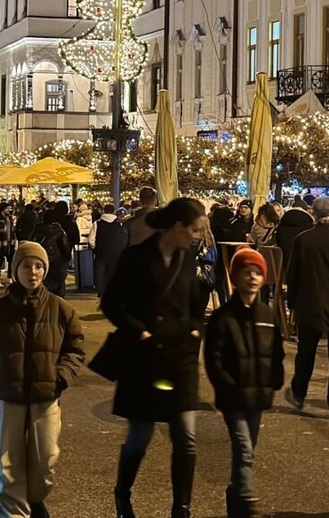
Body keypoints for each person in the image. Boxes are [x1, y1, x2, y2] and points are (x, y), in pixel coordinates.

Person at [101, 198, 210, 518]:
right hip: (143, 359)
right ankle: (123, 493)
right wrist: (140, 331)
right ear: (177, 227)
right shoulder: (135, 257)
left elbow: (195, 306)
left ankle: (182, 508)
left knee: (186, 438)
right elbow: (111, 304)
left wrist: (194, 331)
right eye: (194, 229)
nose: (196, 236)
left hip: (180, 360)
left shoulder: (188, 259)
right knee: (139, 437)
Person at [0, 241, 86, 518]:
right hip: (8, 396)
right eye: (25, 265)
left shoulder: (61, 309)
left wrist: (62, 376)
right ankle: (12, 512)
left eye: (38, 266)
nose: (32, 272)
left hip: (47, 397)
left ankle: (34, 502)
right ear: (15, 268)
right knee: (9, 465)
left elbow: (75, 346)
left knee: (44, 462)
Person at [203, 247, 284, 518]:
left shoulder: (267, 315)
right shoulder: (222, 318)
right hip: (232, 396)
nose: (251, 277)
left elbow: (276, 351)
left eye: (257, 272)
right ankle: (247, 500)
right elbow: (214, 358)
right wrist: (226, 385)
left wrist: (275, 378)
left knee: (248, 448)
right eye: (245, 272)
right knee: (244, 445)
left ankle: (236, 497)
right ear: (234, 277)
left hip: (259, 393)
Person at [284, 196, 329, 420]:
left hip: (309, 304)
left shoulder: (303, 240)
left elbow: (292, 275)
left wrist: (292, 303)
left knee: (305, 352)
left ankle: (298, 394)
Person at [90, 203, 127, 299]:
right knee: (112, 273)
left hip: (101, 252)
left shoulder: (97, 223)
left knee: (99, 273)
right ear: (114, 211)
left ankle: (101, 293)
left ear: (103, 211)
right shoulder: (119, 223)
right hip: (116, 252)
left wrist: (95, 247)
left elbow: (91, 239)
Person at [31, 208, 70, 298]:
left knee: (42, 283)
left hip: (42, 260)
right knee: (58, 287)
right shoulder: (59, 231)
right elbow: (65, 247)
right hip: (57, 261)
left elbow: (32, 244)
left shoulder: (38, 229)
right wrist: (66, 259)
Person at [0, 202, 15, 284]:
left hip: (9, 243)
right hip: (1, 243)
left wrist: (13, 239)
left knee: (11, 260)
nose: (9, 210)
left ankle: (10, 276)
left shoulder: (9, 218)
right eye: (7, 208)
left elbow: (12, 230)